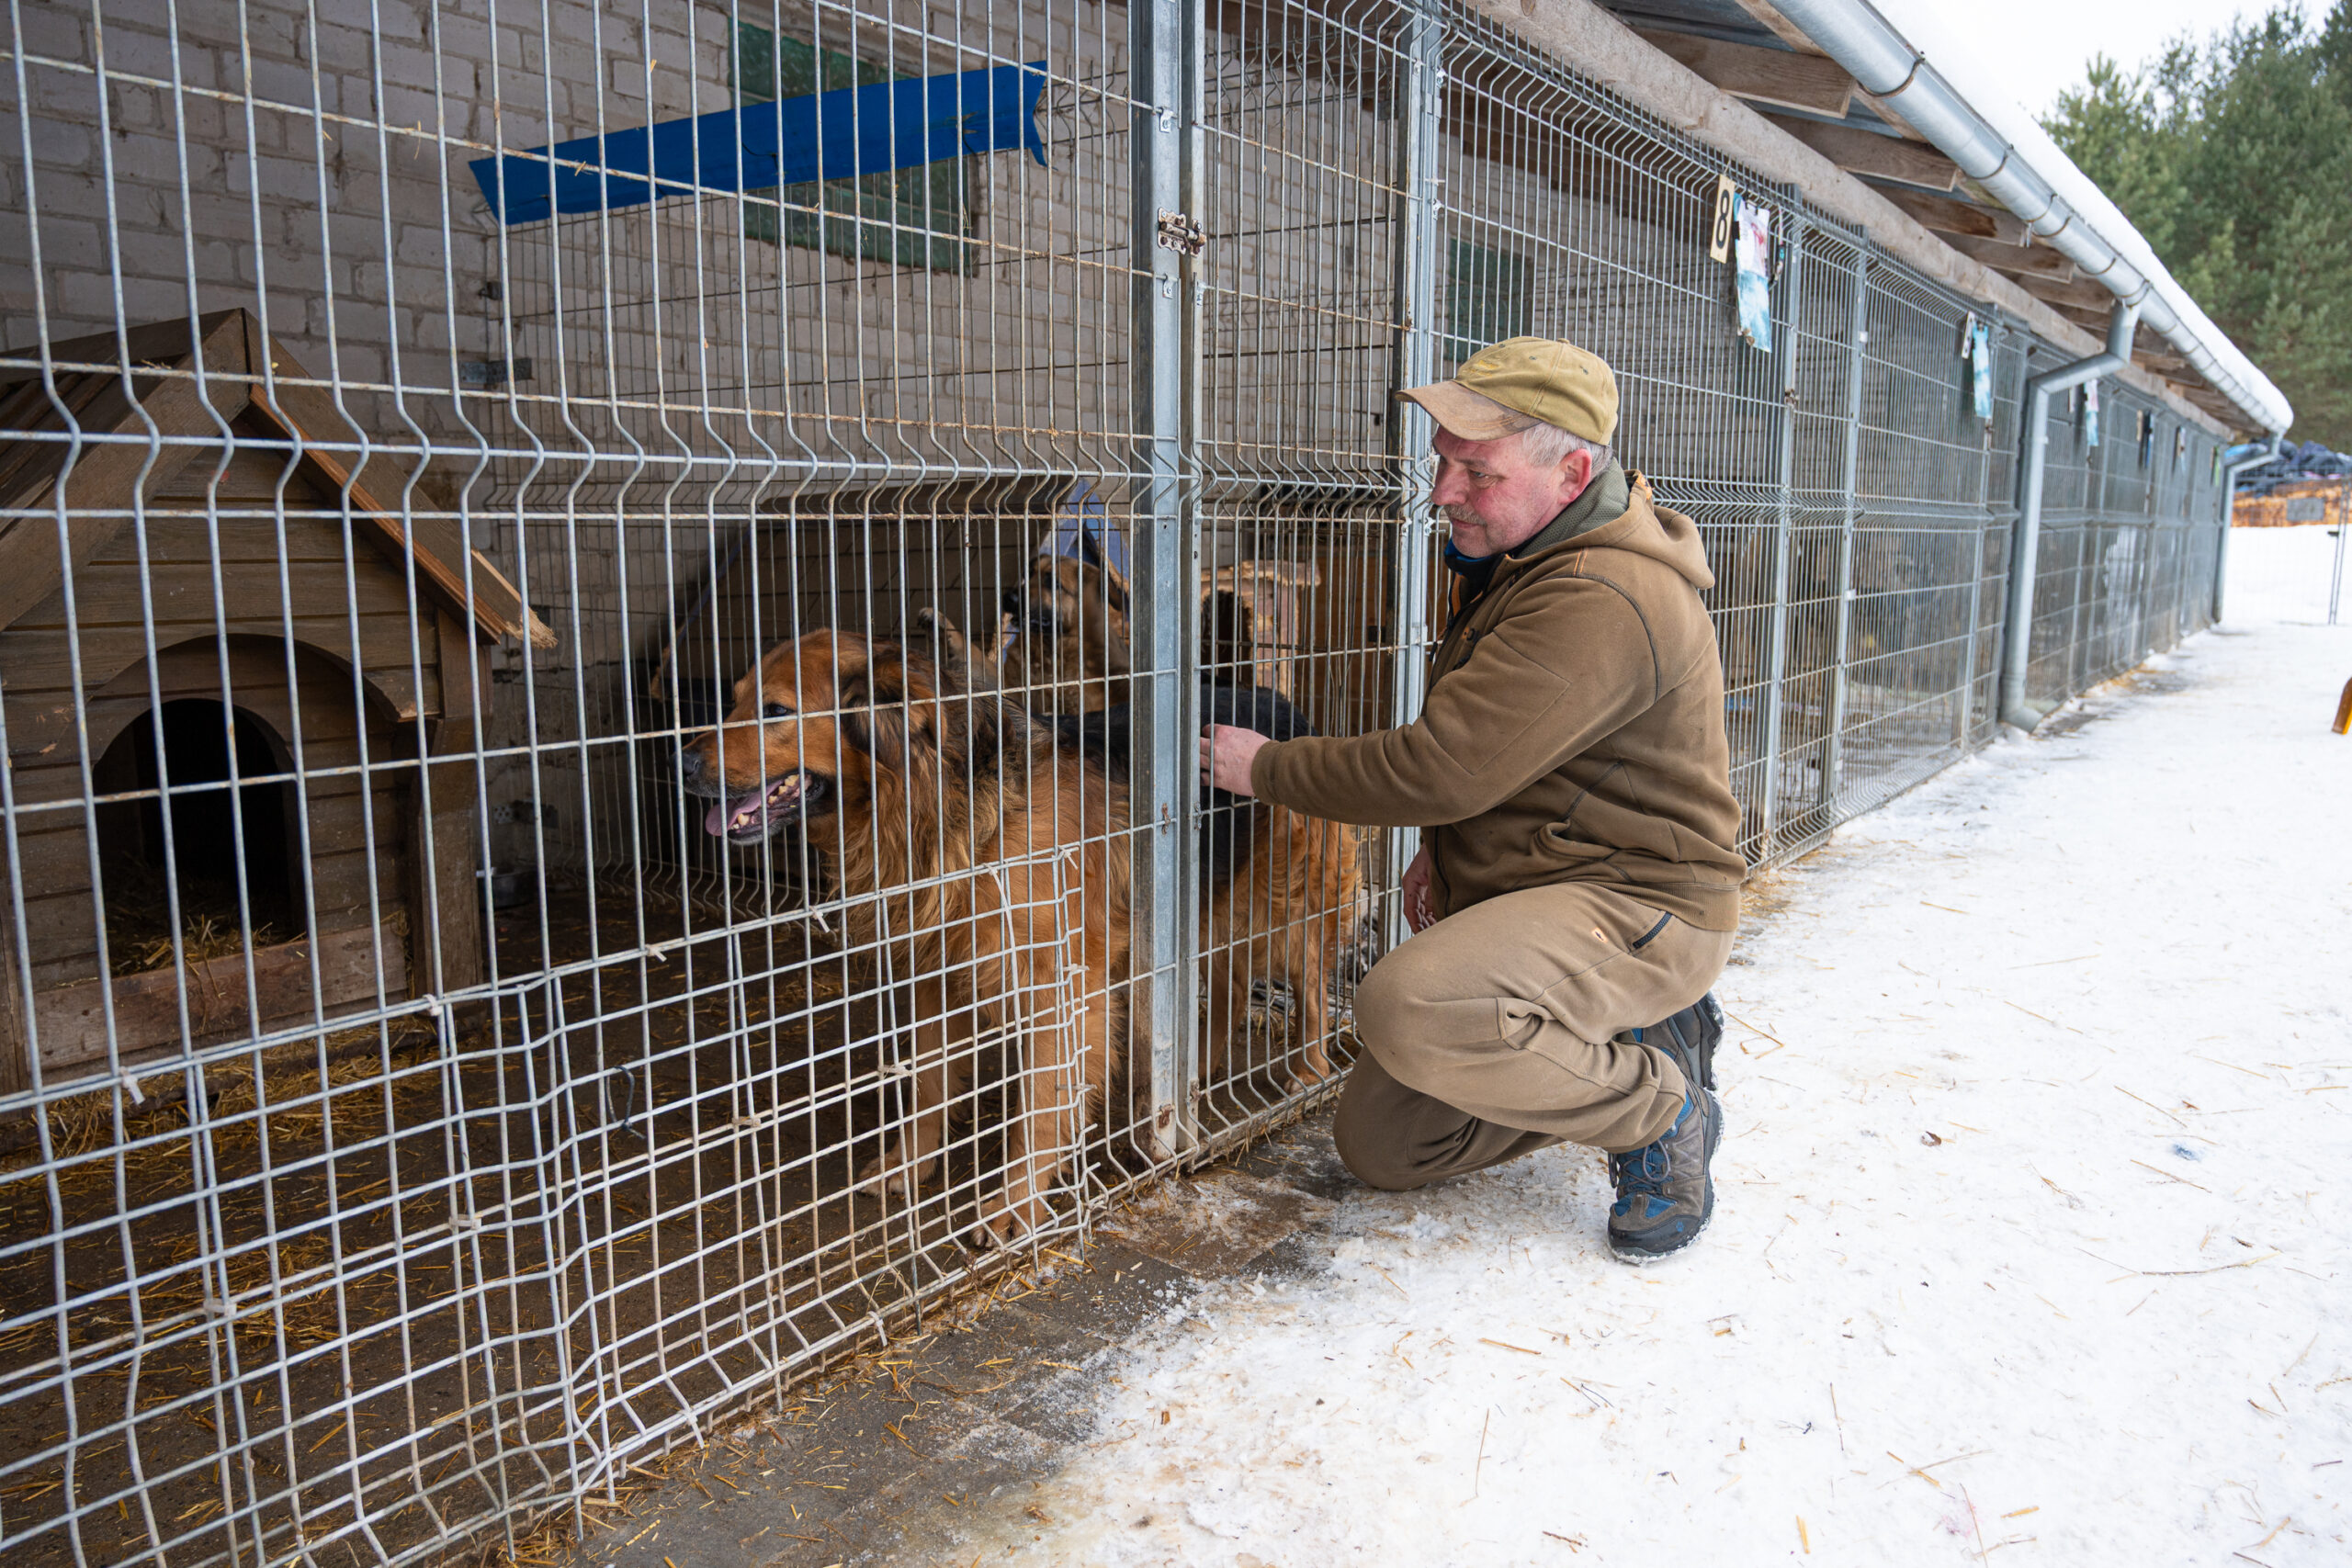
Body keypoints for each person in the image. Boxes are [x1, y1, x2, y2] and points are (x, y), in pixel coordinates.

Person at [1198, 335, 1744, 1262]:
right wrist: (1441, 848)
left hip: (1639, 903)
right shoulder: (1530, 551)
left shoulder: (1602, 593)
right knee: (1389, 1146)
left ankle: (1658, 1109)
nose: (1444, 491)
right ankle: (1619, 1036)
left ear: (1571, 472)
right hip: (1548, 886)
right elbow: (1510, 748)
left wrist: (1270, 768)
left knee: (1407, 1007)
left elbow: (1443, 766)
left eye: (1476, 473)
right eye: (1444, 463)